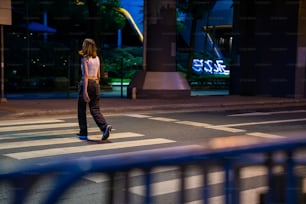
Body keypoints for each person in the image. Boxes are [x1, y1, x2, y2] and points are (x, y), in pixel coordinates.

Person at [77, 38, 112, 141]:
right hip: (95, 83)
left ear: (86, 47)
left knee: (81, 109)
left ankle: (83, 133)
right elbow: (98, 75)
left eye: (84, 44)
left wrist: (85, 91)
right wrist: (96, 85)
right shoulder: (97, 58)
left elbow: (86, 75)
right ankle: (104, 126)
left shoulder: (85, 59)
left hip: (86, 84)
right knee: (95, 109)